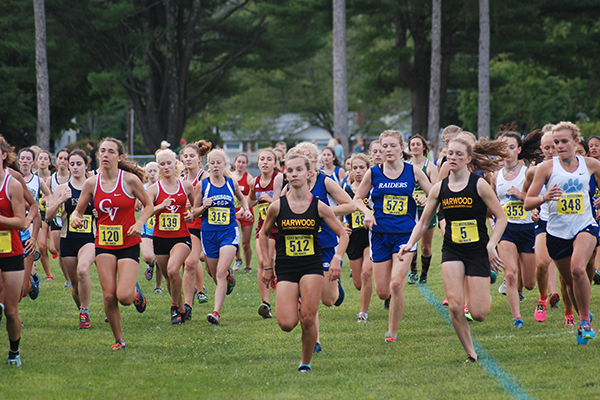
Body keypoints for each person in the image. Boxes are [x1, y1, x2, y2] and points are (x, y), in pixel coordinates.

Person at [400, 136, 508, 361]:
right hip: (452, 251)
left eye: (459, 154)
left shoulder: (479, 184)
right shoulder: (439, 189)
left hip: (477, 250)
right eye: (450, 153)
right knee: (456, 307)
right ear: (445, 157)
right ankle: (471, 353)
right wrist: (410, 245)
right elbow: (422, 222)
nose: (454, 157)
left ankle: (486, 284)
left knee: (478, 313)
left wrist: (491, 244)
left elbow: (501, 217)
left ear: (468, 158)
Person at [260, 153, 348, 372]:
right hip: (286, 267)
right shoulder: (277, 207)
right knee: (287, 324)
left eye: (299, 170)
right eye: (290, 171)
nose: (294, 174)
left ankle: (305, 362)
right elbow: (263, 234)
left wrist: (337, 259)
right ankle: (299, 302)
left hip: (312, 266)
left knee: (308, 319)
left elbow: (343, 235)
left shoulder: (319, 206)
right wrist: (267, 265)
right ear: (285, 174)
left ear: (309, 173)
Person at [71, 138, 154, 350]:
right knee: (109, 296)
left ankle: (135, 293)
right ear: (98, 155)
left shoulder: (130, 180)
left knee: (123, 297)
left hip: (128, 242)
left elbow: (148, 205)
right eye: (102, 151)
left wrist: (140, 222)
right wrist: (75, 217)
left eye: (110, 151)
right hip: (104, 244)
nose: (105, 155)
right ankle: (119, 340)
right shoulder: (92, 183)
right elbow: (78, 210)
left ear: (120, 157)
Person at [524, 121, 600, 344]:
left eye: (564, 141)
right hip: (556, 233)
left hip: (584, 226)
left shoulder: (591, 164)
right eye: (556, 142)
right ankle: (581, 317)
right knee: (570, 282)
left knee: (578, 269)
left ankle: (585, 321)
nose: (559, 146)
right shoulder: (546, 169)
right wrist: (544, 198)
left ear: (576, 142)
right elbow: (528, 201)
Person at [353, 130, 432, 343]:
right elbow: (357, 198)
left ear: (401, 148)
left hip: (405, 236)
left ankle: (392, 332)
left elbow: (434, 193)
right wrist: (367, 212)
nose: (388, 150)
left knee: (396, 284)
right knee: (382, 291)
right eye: (384, 147)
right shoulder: (373, 173)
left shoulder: (413, 171)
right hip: (379, 236)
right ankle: (389, 310)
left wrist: (426, 199)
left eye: (392, 146)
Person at [287, 142, 355, 352]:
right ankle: (314, 341)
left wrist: (324, 212)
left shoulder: (325, 182)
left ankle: (336, 287)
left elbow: (350, 205)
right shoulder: (290, 184)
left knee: (328, 299)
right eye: (300, 156)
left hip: (325, 243)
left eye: (308, 156)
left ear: (314, 162)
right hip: (302, 246)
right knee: (309, 296)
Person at [194, 149, 253, 325]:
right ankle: (229, 278)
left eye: (218, 162)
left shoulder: (231, 183)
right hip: (209, 233)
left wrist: (247, 209)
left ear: (225, 164)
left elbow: (243, 199)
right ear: (208, 165)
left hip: (229, 231)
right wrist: (203, 207)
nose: (215, 166)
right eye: (212, 163)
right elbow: (194, 212)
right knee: (213, 272)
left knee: (219, 272)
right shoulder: (202, 185)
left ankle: (216, 312)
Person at [493, 130, 542, 327]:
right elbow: (494, 202)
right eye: (504, 147)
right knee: (510, 273)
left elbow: (538, 198)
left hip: (529, 228)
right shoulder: (496, 176)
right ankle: (517, 317)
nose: (507, 151)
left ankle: (523, 289)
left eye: (511, 147)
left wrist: (522, 197)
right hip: (507, 229)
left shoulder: (529, 172)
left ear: (519, 150)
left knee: (530, 283)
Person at [46, 149, 96, 329]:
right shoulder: (62, 188)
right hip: (68, 239)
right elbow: (49, 216)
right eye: (71, 163)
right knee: (75, 284)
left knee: (83, 271)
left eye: (78, 164)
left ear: (86, 165)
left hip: (89, 239)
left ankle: (84, 310)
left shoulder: (94, 187)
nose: (74, 167)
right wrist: (60, 201)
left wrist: (98, 213)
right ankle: (84, 312)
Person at [522, 128, 567, 324]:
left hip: (568, 223)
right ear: (541, 149)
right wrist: (533, 208)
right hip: (545, 222)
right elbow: (526, 194)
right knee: (541, 264)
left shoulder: (573, 167)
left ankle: (572, 311)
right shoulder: (536, 170)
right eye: (546, 147)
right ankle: (542, 299)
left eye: (554, 146)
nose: (551, 151)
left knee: (571, 272)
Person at [147, 149, 195, 324]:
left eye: (169, 163)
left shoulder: (186, 186)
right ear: (158, 166)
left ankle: (174, 307)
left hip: (181, 237)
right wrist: (159, 207)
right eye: (162, 164)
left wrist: (192, 214)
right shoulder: (154, 189)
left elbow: (195, 208)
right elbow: (146, 212)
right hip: (160, 238)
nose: (166, 167)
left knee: (173, 269)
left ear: (176, 163)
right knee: (170, 278)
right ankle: (183, 309)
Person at [0, 136, 28, 366]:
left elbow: (21, 222)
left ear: (3, 155)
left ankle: (14, 351)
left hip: (11, 252)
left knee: (11, 311)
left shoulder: (12, 185)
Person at [248, 149, 281, 319]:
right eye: (262, 159)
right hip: (263, 227)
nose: (265, 162)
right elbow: (252, 199)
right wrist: (245, 211)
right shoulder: (255, 181)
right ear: (258, 162)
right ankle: (266, 304)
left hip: (280, 227)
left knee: (273, 260)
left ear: (275, 163)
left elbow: (277, 201)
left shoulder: (279, 177)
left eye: (269, 159)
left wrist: (268, 199)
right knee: (262, 261)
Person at [181, 140, 212, 308]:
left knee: (211, 269)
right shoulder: (182, 180)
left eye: (192, 156)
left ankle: (227, 276)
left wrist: (196, 206)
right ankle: (187, 305)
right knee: (190, 263)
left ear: (200, 159)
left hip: (207, 227)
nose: (188, 159)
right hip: (190, 227)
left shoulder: (206, 178)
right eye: (185, 156)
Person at [344, 153, 373, 322]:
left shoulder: (374, 189)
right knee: (358, 283)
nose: (358, 171)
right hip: (353, 237)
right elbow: (339, 212)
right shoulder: (346, 191)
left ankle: (363, 312)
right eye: (355, 168)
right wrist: (341, 226)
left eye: (362, 167)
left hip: (370, 235)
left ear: (368, 169)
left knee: (366, 273)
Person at [18, 148, 50, 299]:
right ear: (18, 160)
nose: (24, 161)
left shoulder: (38, 180)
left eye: (27, 159)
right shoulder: (13, 179)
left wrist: (48, 207)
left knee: (40, 246)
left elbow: (48, 195)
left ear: (33, 162)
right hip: (14, 221)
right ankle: (32, 276)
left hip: (31, 219)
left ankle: (30, 274)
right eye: (22, 158)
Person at [407, 134, 439, 285]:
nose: (415, 147)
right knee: (411, 242)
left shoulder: (430, 166)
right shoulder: (405, 166)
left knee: (425, 247)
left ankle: (424, 274)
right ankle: (413, 272)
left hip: (427, 211)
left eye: (418, 144)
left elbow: (437, 189)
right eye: (412, 144)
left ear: (424, 147)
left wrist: (427, 198)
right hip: (410, 211)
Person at [46, 148, 72, 288]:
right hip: (56, 218)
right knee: (58, 249)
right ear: (56, 159)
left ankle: (74, 274)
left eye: (65, 159)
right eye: (60, 158)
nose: (62, 161)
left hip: (70, 218)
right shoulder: (51, 179)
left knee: (70, 249)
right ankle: (68, 279)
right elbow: (47, 197)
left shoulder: (74, 177)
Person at [140, 162, 163, 293]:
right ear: (146, 173)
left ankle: (158, 287)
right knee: (148, 257)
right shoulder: (142, 188)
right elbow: (140, 208)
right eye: (150, 171)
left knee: (161, 259)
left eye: (155, 170)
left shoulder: (163, 187)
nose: (152, 173)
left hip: (160, 227)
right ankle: (150, 265)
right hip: (146, 227)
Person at [232, 153, 254, 272]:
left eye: (243, 162)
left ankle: (248, 265)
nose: (240, 164)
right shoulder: (229, 177)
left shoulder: (249, 178)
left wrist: (245, 200)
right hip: (233, 213)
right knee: (235, 238)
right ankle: (238, 258)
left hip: (246, 212)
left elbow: (254, 198)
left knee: (245, 243)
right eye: (238, 161)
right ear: (235, 162)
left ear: (246, 164)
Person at [35, 150, 55, 280]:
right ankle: (49, 275)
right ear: (37, 161)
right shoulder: (33, 177)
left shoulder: (54, 176)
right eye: (40, 158)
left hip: (54, 215)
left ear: (49, 162)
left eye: (45, 158)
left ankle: (55, 252)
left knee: (53, 248)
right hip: (39, 216)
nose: (42, 161)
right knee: (42, 246)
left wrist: (48, 201)